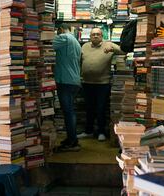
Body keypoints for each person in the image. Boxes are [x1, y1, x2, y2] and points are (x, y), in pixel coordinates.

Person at [78, 27, 124, 141]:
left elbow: (124, 51)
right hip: (86, 83)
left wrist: (113, 49)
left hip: (102, 83)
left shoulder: (108, 45)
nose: (95, 36)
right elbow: (79, 61)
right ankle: (88, 131)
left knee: (101, 108)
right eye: (93, 34)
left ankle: (101, 132)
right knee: (89, 108)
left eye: (98, 34)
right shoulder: (84, 46)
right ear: (90, 36)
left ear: (102, 36)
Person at [53, 23, 82, 151]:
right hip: (73, 80)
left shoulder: (63, 37)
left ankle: (72, 141)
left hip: (65, 80)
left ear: (60, 30)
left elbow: (46, 44)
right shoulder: (75, 41)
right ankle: (72, 139)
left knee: (68, 112)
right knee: (70, 111)